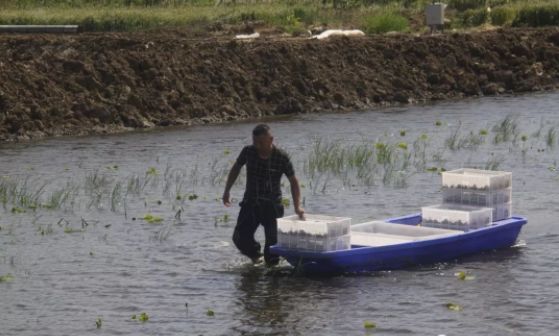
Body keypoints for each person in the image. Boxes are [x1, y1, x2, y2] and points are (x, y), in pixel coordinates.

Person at [222, 124, 304, 266]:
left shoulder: (281, 157)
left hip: (272, 206)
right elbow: (236, 168)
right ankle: (255, 256)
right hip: (250, 203)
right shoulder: (248, 152)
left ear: (270, 139)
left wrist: (298, 206)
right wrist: (227, 190)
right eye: (255, 142)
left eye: (261, 142)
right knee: (239, 238)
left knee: (272, 251)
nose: (258, 146)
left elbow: (293, 181)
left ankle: (273, 279)